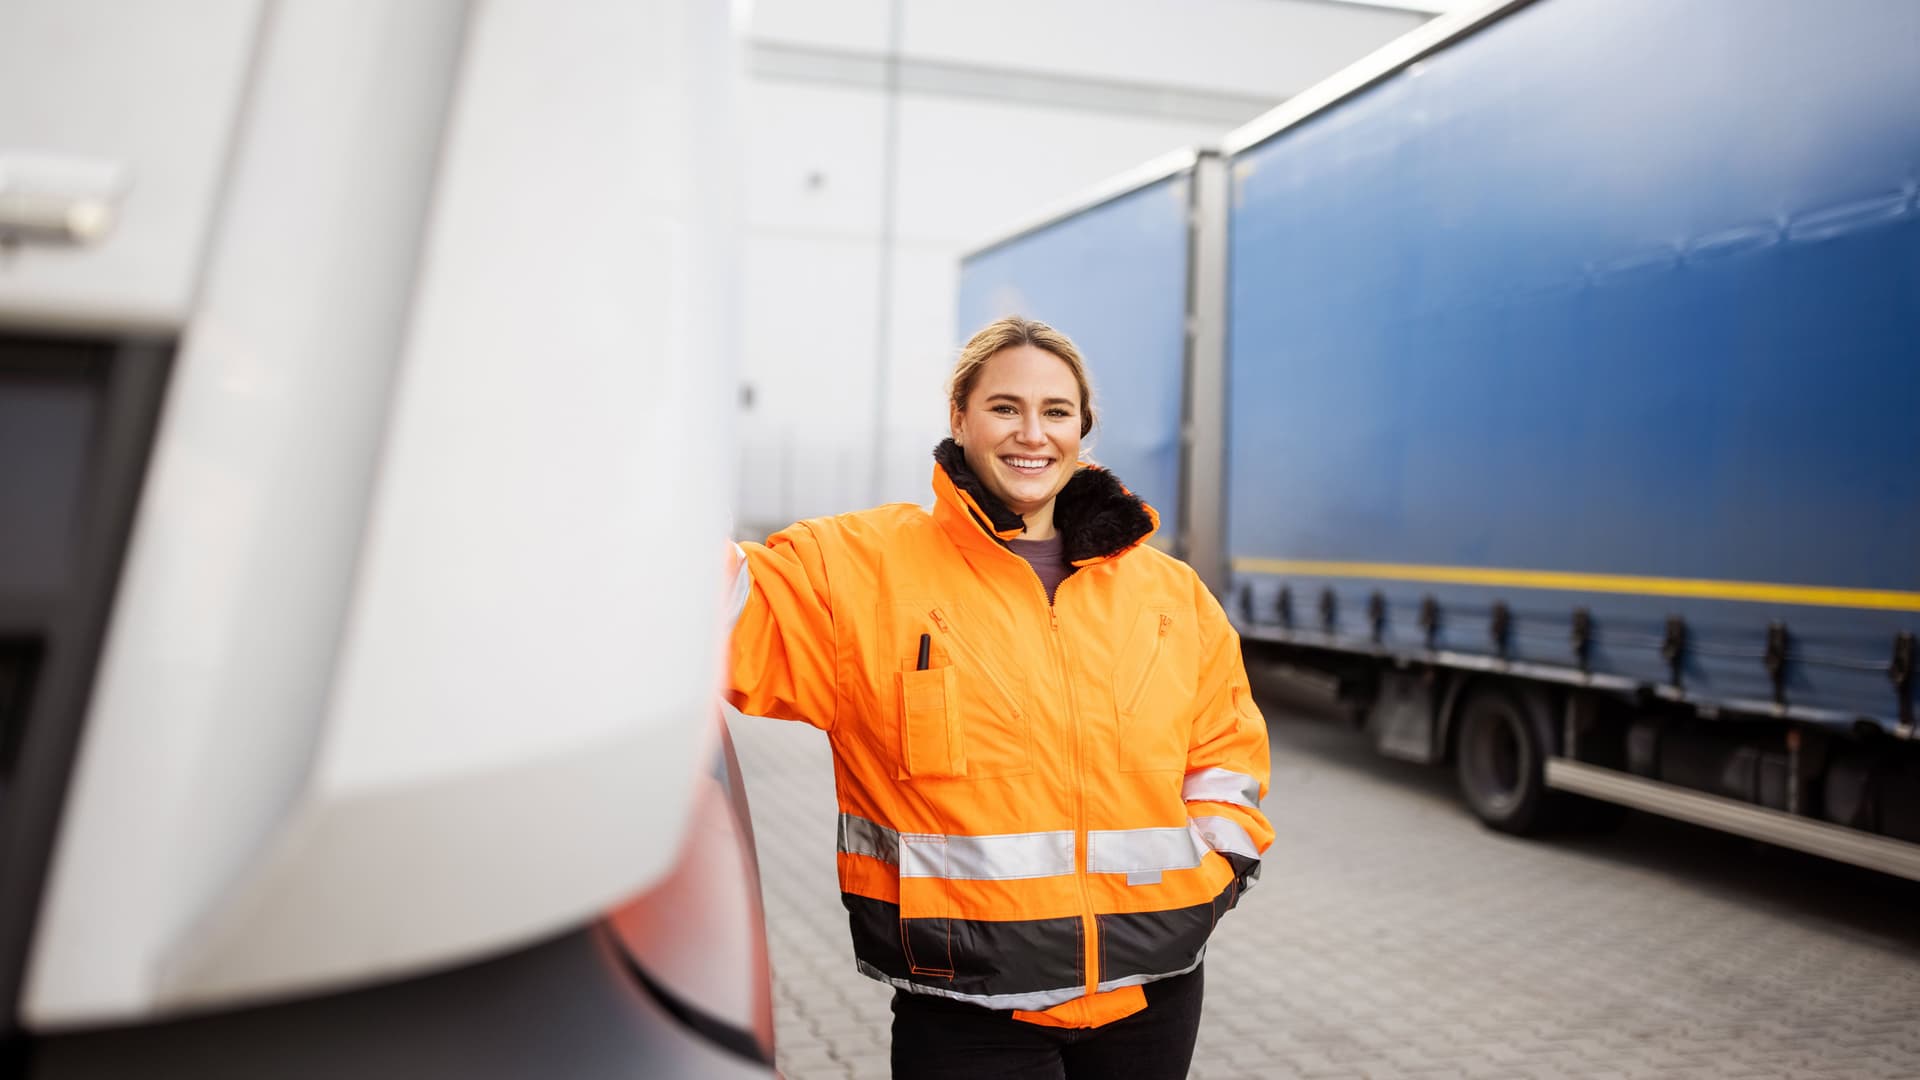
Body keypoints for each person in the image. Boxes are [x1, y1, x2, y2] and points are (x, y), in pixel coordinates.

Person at [725, 316, 1272, 1080]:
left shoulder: (1169, 593)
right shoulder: (863, 569)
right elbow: (711, 608)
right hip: (966, 1008)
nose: (1032, 434)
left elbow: (1227, 757)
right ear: (960, 417)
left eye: (1056, 411)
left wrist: (1206, 883)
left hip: (1155, 993)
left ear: (1083, 428)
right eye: (1004, 407)